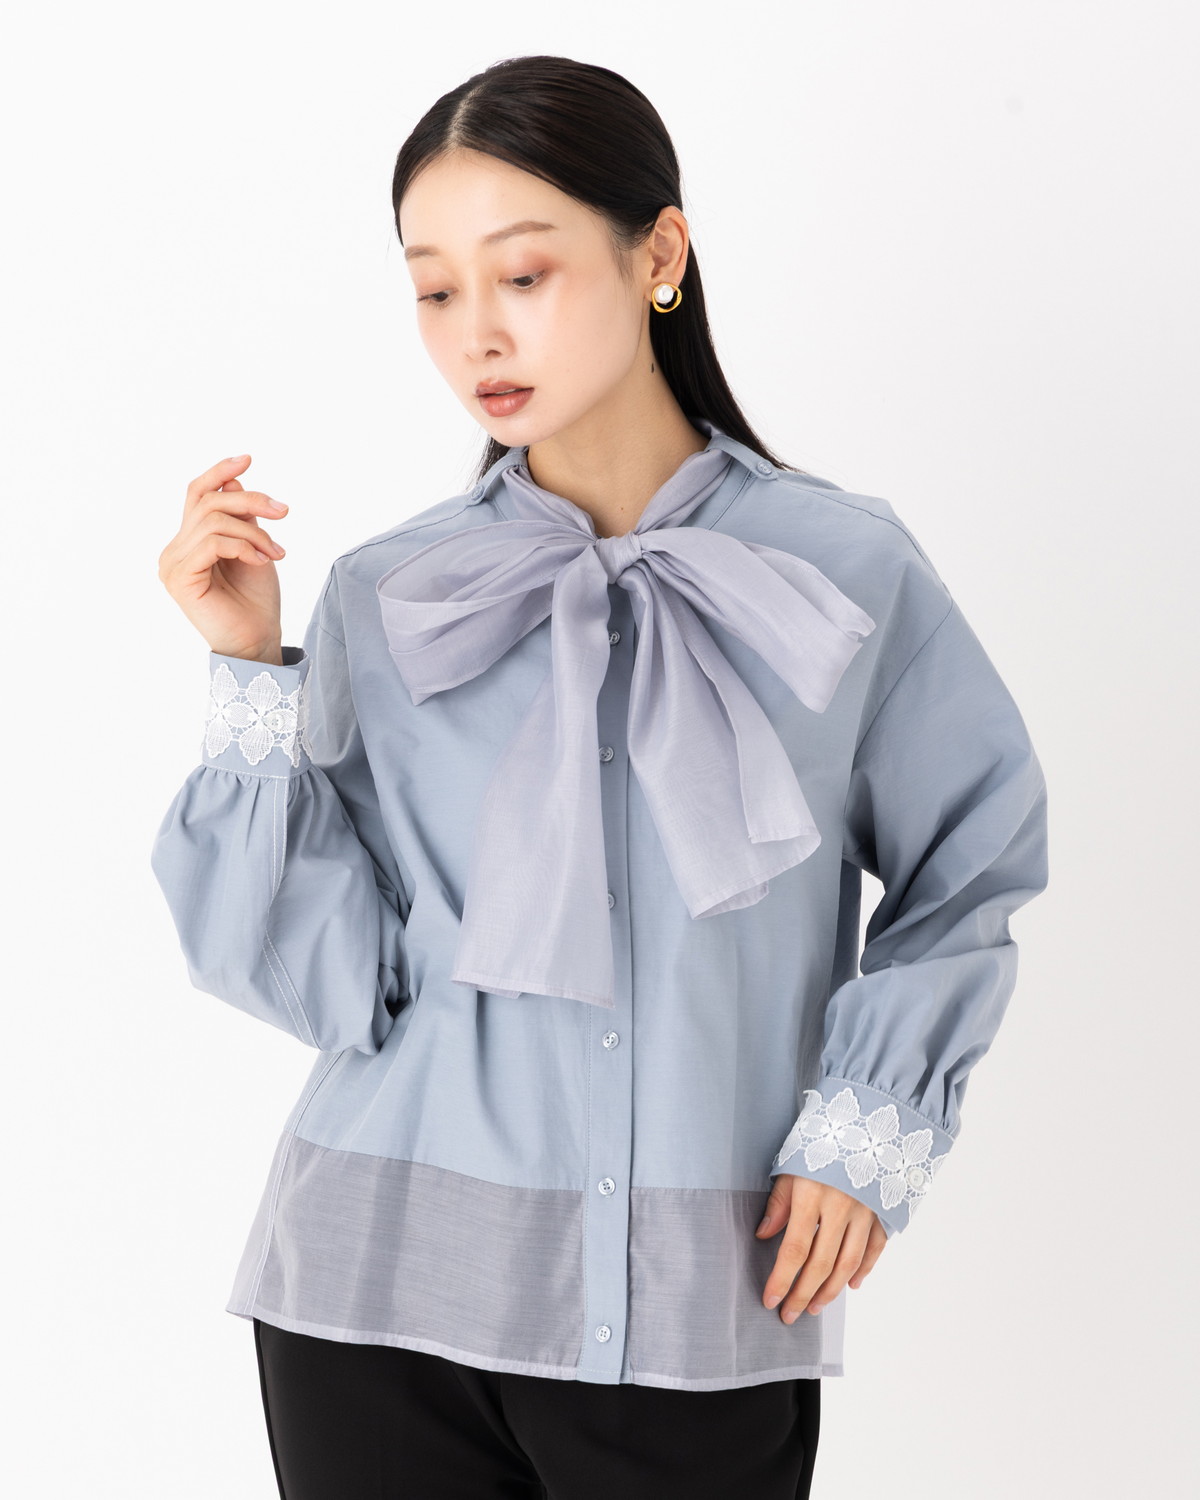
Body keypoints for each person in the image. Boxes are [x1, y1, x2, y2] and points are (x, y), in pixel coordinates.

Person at [151, 53, 1050, 1500]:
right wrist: (253, 669)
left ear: (659, 255)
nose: (476, 333)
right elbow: (320, 982)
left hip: (703, 1312)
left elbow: (974, 871)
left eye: (523, 275)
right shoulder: (395, 594)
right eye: (435, 290)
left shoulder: (846, 569)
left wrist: (866, 1129)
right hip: (368, 1305)